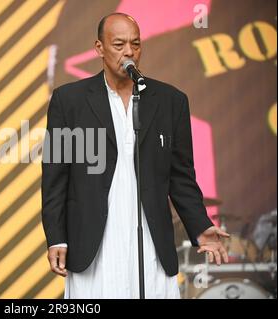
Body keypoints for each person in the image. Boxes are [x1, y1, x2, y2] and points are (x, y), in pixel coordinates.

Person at [41, 13, 230, 299]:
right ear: (99, 48)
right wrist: (57, 237)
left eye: (135, 43)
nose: (129, 51)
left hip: (150, 243)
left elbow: (181, 177)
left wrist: (200, 226)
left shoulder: (170, 101)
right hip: (94, 247)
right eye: (119, 44)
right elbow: (55, 176)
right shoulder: (69, 101)